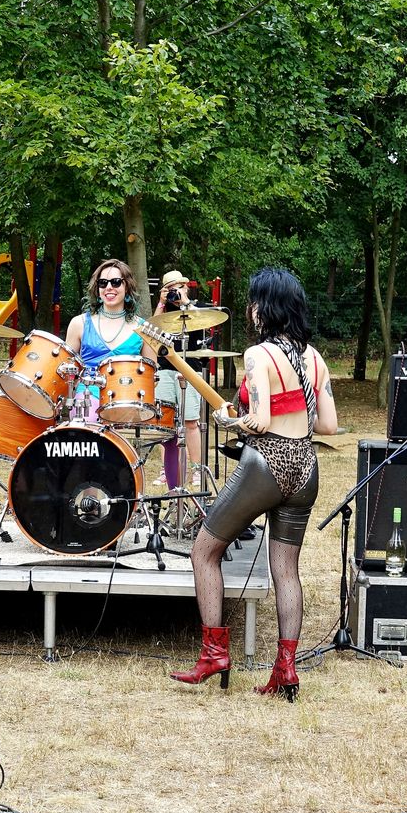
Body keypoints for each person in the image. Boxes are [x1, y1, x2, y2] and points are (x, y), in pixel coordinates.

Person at [170, 267, 337, 701]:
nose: (250, 310)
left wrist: (229, 420)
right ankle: (286, 669)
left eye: (253, 302)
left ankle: (214, 654)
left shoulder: (259, 354)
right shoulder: (315, 358)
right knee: (286, 569)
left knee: (204, 552)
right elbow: (328, 425)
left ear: (265, 308)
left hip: (267, 463)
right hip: (306, 468)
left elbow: (259, 421)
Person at [63, 259, 156, 420]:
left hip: (128, 398)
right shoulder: (79, 323)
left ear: (127, 287)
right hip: (87, 396)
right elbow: (65, 370)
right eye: (103, 283)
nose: (109, 287)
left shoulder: (144, 328)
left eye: (116, 282)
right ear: (97, 288)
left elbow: (152, 376)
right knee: (88, 421)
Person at [153, 269, 208, 489]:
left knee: (190, 422)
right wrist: (160, 303)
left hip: (189, 369)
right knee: (164, 423)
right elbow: (150, 333)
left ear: (185, 287)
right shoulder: (163, 311)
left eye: (177, 288)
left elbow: (203, 324)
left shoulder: (196, 307)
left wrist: (185, 302)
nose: (174, 293)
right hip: (164, 370)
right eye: (169, 289)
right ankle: (166, 469)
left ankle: (197, 469)